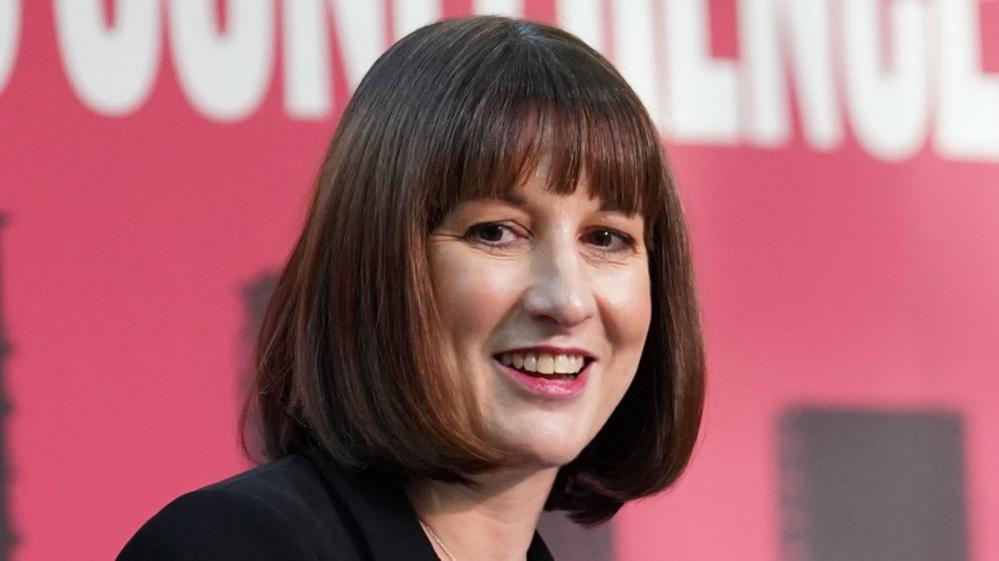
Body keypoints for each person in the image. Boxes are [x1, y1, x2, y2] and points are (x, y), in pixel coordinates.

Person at [117, 15, 704, 561]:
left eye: (606, 238)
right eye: (497, 232)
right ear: (378, 262)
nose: (568, 300)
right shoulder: (231, 547)